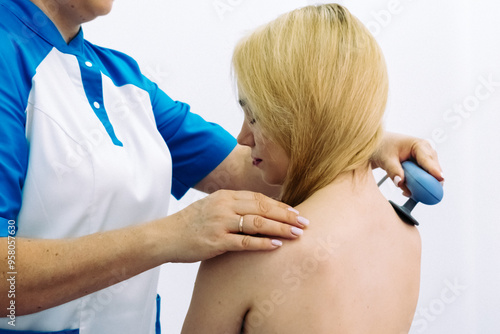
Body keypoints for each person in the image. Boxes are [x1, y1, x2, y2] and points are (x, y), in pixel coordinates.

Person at [0, 0, 442, 333]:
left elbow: (254, 166)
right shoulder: (9, 57)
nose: (246, 134)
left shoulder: (124, 80)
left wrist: (360, 138)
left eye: (257, 115)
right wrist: (169, 237)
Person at [182, 4, 426, 334]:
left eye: (254, 116)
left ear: (302, 115)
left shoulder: (245, 255)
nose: (242, 138)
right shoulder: (407, 237)